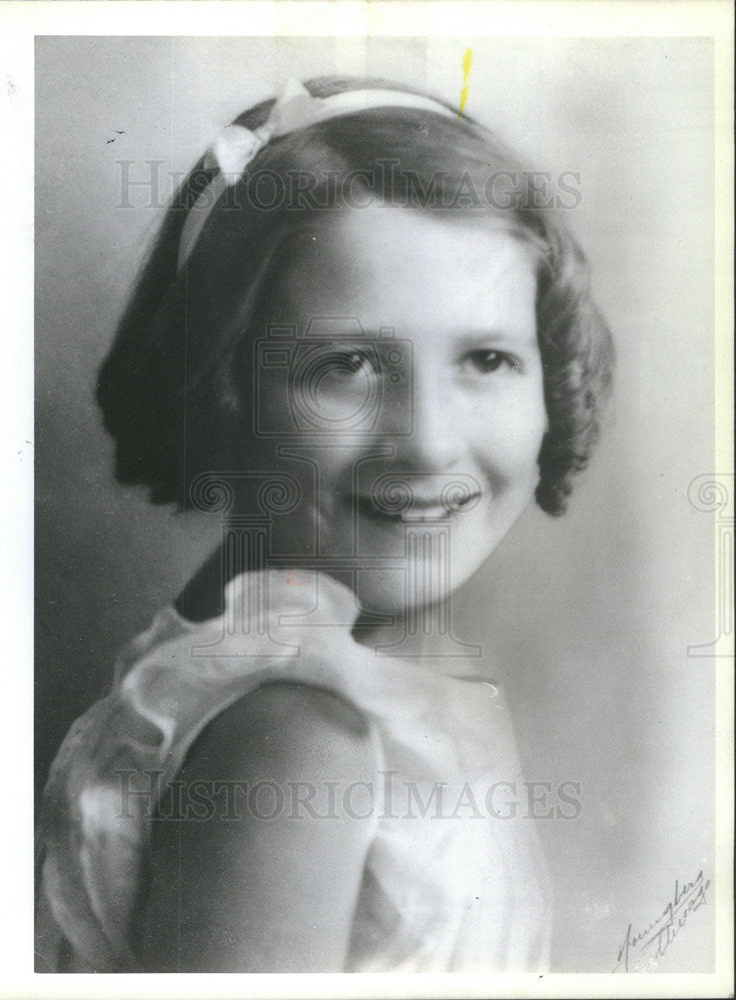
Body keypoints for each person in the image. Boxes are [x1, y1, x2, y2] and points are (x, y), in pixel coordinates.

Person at [35, 75, 614, 973]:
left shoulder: (304, 694)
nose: (426, 442)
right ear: (219, 391)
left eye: (487, 358)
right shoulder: (295, 740)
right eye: (347, 365)